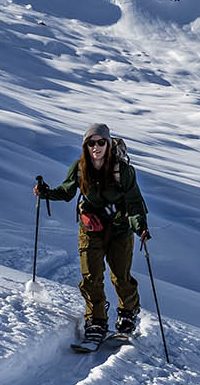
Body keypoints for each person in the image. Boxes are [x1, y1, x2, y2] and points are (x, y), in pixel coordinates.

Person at [34, 123, 151, 344]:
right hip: (91, 229)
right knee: (91, 276)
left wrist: (140, 227)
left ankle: (128, 312)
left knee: (121, 275)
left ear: (108, 144)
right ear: (85, 145)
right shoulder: (80, 167)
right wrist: (46, 193)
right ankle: (96, 319)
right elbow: (67, 191)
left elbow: (134, 202)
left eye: (100, 142)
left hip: (120, 229)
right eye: (91, 143)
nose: (95, 147)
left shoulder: (122, 170)